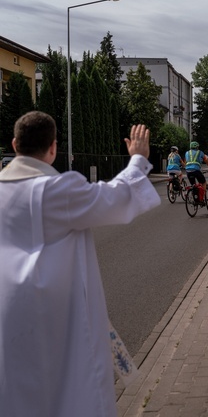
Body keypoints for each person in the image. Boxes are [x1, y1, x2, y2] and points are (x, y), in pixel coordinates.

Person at [0, 111, 161, 417]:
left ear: (14, 144)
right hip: (52, 316)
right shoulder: (54, 191)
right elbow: (115, 198)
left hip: (6, 314)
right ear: (53, 148)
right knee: (64, 386)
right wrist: (138, 159)